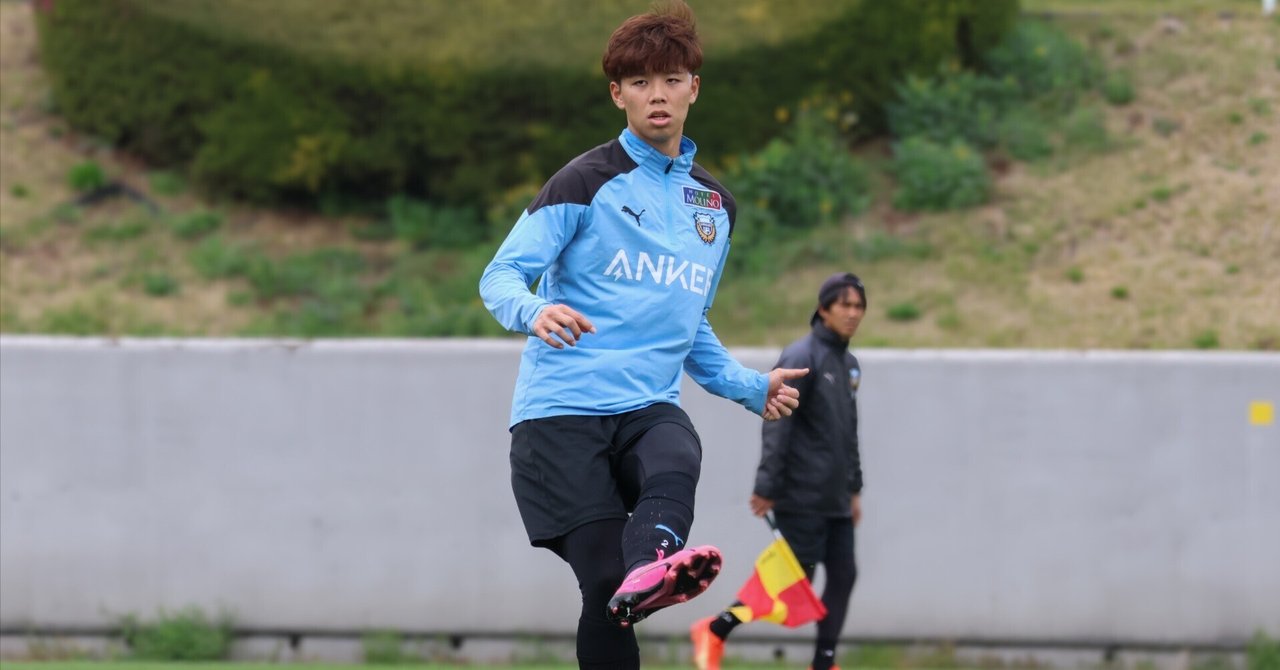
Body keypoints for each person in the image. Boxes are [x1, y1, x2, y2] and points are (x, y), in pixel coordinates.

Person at [478, 2, 809, 667]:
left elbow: (689, 322)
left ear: (694, 88)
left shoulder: (715, 207)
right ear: (617, 94)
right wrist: (534, 311)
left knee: (675, 447)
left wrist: (750, 387)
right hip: (559, 417)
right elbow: (501, 275)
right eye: (639, 82)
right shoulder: (584, 181)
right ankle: (640, 576)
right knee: (604, 584)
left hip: (645, 407)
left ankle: (652, 568)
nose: (657, 94)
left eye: (671, 79)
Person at [690, 272, 868, 670]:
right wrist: (766, 485)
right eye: (845, 305)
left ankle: (824, 662)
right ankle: (716, 629)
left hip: (836, 498)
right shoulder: (802, 357)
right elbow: (777, 423)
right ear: (823, 309)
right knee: (786, 581)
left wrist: (854, 489)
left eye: (859, 306)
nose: (853, 313)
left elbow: (849, 432)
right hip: (799, 496)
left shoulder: (849, 364)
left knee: (844, 576)